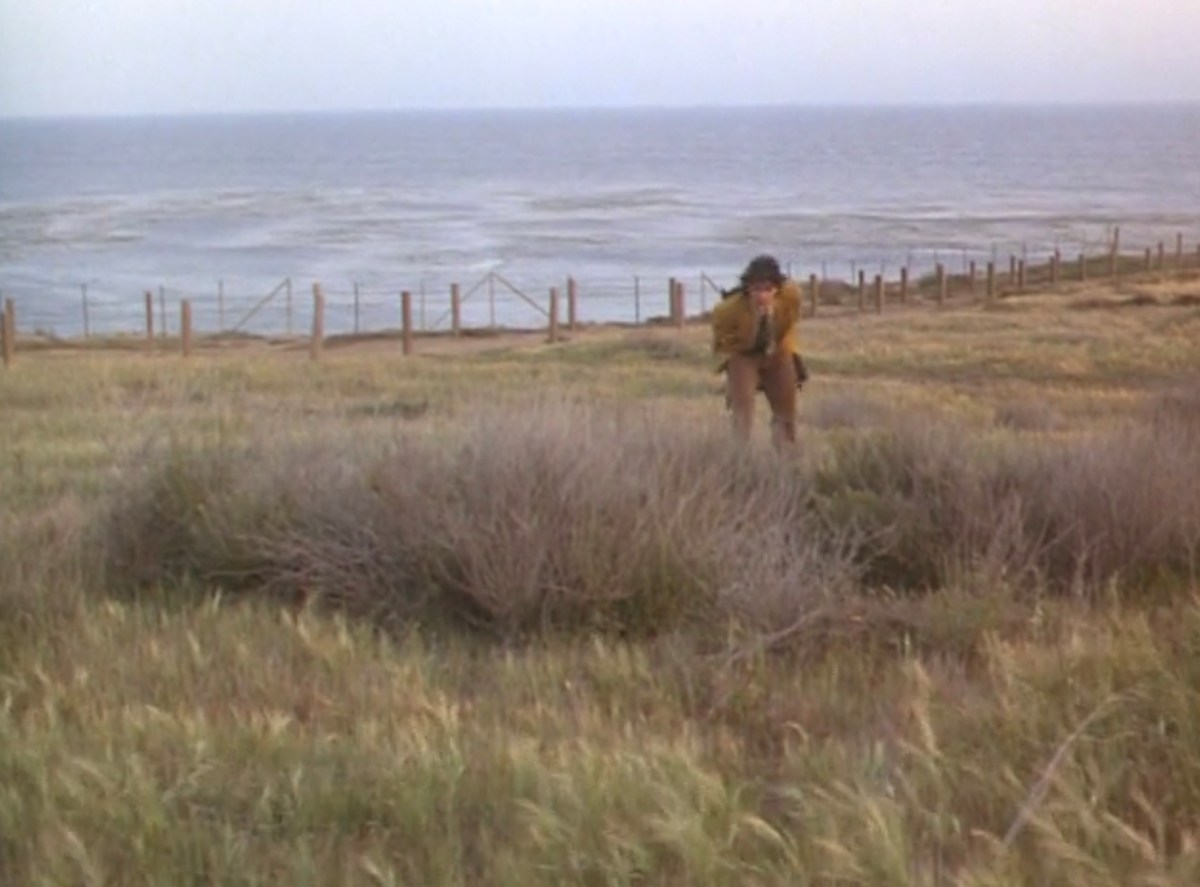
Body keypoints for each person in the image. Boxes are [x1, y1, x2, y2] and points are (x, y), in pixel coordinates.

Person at [711, 254, 807, 448]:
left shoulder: (791, 298)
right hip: (743, 355)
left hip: (778, 352)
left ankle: (786, 459)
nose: (762, 295)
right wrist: (754, 324)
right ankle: (739, 459)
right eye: (756, 289)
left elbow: (791, 321)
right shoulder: (726, 311)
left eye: (767, 289)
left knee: (786, 414)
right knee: (742, 413)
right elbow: (722, 346)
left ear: (777, 290)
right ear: (747, 289)